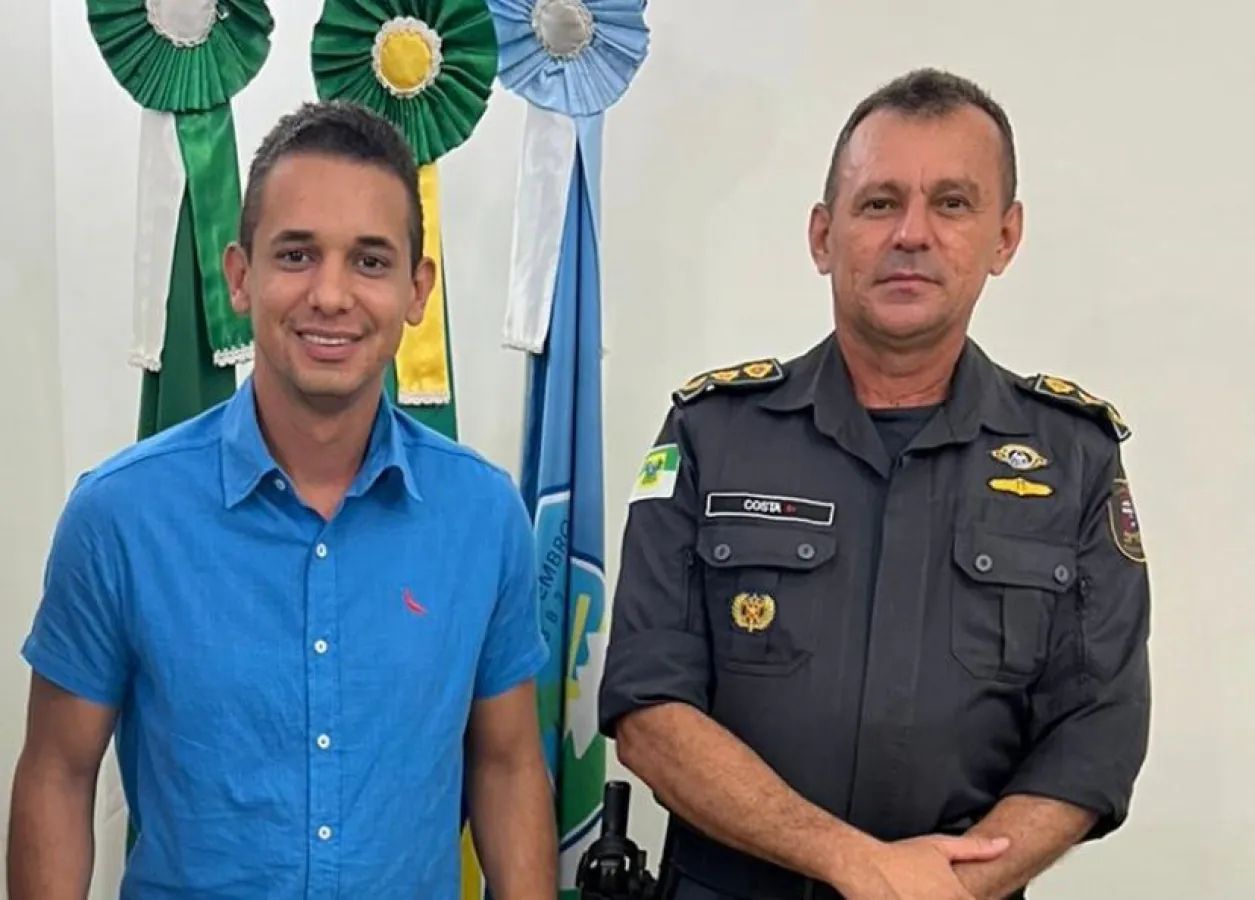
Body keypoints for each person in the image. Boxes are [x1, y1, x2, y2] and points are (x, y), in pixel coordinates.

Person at [598, 68, 1150, 900]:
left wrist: (948, 885)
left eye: (952, 204)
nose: (911, 234)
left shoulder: (1073, 457)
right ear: (823, 235)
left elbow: (1097, 731)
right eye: (879, 202)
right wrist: (855, 863)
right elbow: (649, 710)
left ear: (1004, 238)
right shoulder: (710, 436)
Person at [9, 102, 556, 900]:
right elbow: (58, 772)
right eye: (296, 255)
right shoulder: (119, 517)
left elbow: (506, 765)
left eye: (369, 261)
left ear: (417, 289)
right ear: (240, 276)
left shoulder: (483, 516)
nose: (330, 294)